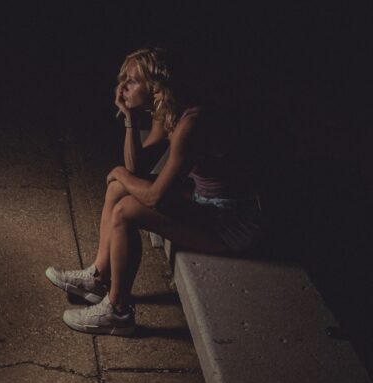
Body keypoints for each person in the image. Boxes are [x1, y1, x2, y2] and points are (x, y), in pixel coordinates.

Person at [45, 47, 263, 336]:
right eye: (122, 78)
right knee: (117, 189)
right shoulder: (169, 112)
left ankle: (118, 311)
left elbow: (154, 197)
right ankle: (97, 278)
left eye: (132, 80)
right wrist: (130, 118)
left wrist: (121, 174)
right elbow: (136, 167)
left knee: (125, 210)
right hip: (205, 202)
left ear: (156, 87)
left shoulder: (191, 123)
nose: (122, 86)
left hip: (232, 222)